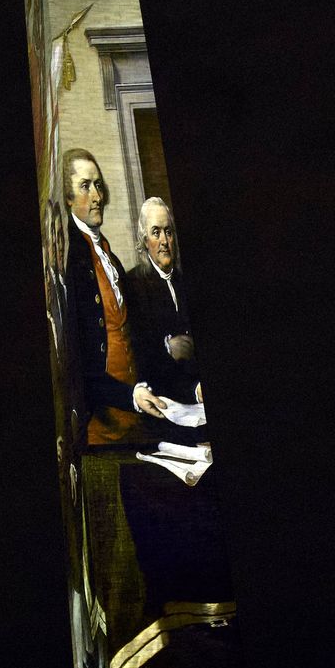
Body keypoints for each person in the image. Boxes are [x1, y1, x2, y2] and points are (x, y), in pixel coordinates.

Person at [57, 148, 167, 447]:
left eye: (98, 185)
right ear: (68, 198)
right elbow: (79, 361)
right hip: (101, 423)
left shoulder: (109, 257)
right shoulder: (72, 262)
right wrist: (129, 396)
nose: (96, 196)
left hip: (136, 412)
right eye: (85, 186)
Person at [122, 197, 202, 415]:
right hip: (162, 401)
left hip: (195, 396)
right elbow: (140, 354)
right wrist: (167, 348)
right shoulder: (133, 284)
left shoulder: (183, 280)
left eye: (168, 232)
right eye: (156, 233)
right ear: (144, 241)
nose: (164, 241)